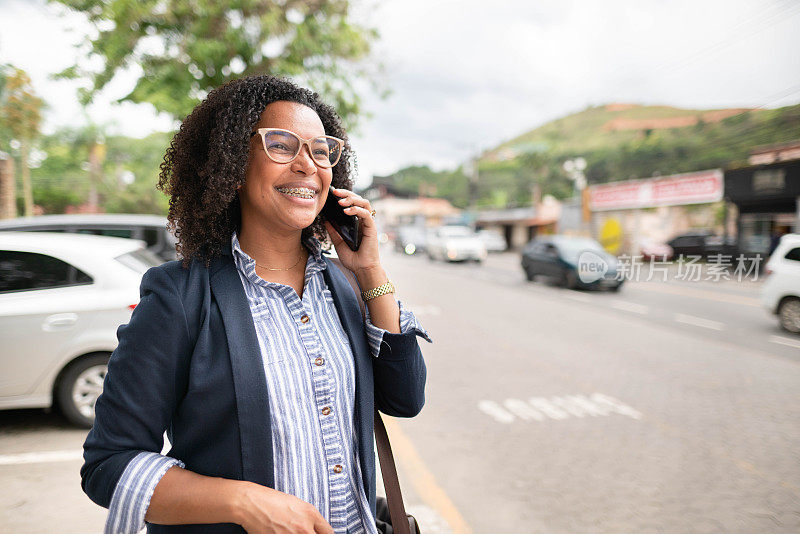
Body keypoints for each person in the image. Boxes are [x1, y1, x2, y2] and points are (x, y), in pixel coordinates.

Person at [80, 75, 432, 534]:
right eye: (282, 145)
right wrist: (243, 502)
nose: (308, 165)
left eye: (321, 150)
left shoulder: (346, 284)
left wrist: (370, 273)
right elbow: (109, 464)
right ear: (233, 162)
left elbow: (405, 399)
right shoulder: (180, 297)